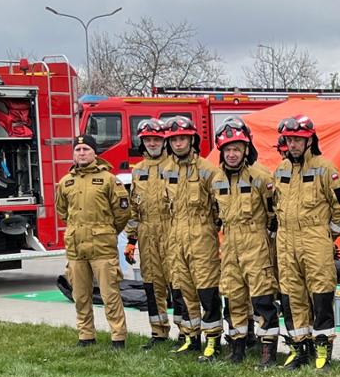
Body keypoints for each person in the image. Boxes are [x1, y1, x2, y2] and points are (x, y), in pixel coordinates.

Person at [270, 115, 340, 369]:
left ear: (309, 140)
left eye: (298, 140)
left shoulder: (325, 169)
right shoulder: (281, 170)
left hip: (315, 239)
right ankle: (298, 348)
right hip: (286, 240)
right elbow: (275, 204)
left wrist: (329, 233)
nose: (292, 145)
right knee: (291, 294)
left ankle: (322, 347)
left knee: (321, 293)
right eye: (289, 140)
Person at [210, 119, 280, 364]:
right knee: (233, 297)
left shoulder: (260, 177)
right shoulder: (217, 180)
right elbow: (216, 213)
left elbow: (273, 212)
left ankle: (268, 350)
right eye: (227, 150)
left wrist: (266, 239)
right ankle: (237, 348)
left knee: (263, 298)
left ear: (246, 149)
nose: (232, 154)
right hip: (230, 243)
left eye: (237, 149)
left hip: (256, 241)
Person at [57, 134, 133, 348]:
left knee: (110, 295)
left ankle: (118, 337)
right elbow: (63, 212)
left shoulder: (109, 179)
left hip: (102, 247)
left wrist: (106, 231)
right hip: (76, 248)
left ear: (94, 153)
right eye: (78, 150)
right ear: (73, 154)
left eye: (86, 149)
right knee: (80, 296)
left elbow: (122, 212)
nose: (82, 153)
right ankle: (86, 336)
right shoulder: (66, 182)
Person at [159, 115, 226, 359]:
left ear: (192, 140)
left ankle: (213, 340)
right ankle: (191, 337)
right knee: (185, 290)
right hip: (176, 238)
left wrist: (207, 229)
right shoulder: (167, 170)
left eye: (183, 139)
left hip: (201, 238)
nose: (178, 143)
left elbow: (220, 206)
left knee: (207, 291)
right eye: (174, 140)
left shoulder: (208, 170)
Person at [125, 118, 181, 348]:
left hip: (171, 230)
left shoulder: (175, 166)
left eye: (156, 139)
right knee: (152, 285)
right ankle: (158, 332)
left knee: (178, 283)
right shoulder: (138, 170)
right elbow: (133, 208)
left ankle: (186, 333)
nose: (152, 143)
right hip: (147, 233)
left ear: (164, 141)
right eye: (148, 139)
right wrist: (131, 240)